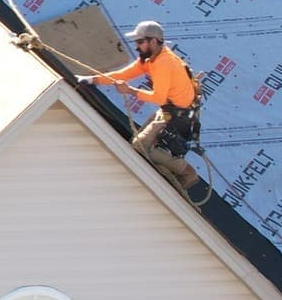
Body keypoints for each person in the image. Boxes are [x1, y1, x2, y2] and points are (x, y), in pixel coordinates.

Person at [79, 20, 201, 193]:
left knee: (140, 145)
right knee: (142, 142)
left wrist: (130, 91)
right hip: (171, 110)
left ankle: (187, 173)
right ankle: (170, 167)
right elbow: (124, 74)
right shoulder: (151, 59)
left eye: (141, 42)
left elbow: (158, 96)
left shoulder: (163, 63)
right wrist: (92, 80)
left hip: (175, 116)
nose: (137, 46)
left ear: (154, 41)